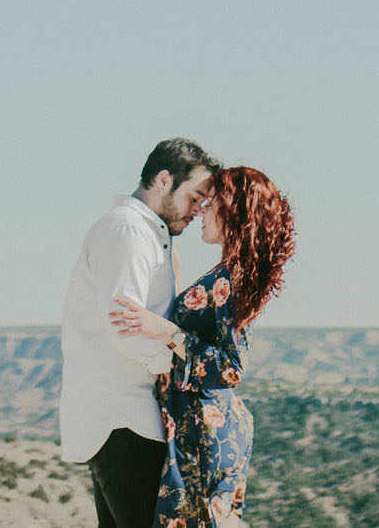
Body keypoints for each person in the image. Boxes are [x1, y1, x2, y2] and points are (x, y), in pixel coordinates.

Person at [110, 165, 297, 528]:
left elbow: (230, 367)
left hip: (204, 433)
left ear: (235, 212)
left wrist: (165, 330)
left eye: (211, 203)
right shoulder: (225, 273)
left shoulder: (230, 278)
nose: (202, 211)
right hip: (198, 427)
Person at [62, 139, 221, 528]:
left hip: (124, 415)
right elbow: (125, 330)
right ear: (164, 179)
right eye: (195, 196)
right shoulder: (129, 231)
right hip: (123, 417)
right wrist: (181, 361)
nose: (199, 209)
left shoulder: (145, 232)